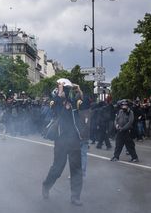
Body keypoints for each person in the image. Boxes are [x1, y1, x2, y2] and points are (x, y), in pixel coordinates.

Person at [42, 78, 83, 206]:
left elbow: (84, 103)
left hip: (74, 138)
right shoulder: (55, 100)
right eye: (65, 88)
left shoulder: (73, 100)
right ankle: (46, 186)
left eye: (68, 89)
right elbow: (55, 109)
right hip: (61, 139)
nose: (67, 91)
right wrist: (60, 94)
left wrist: (78, 90)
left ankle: (75, 197)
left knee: (76, 169)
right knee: (58, 167)